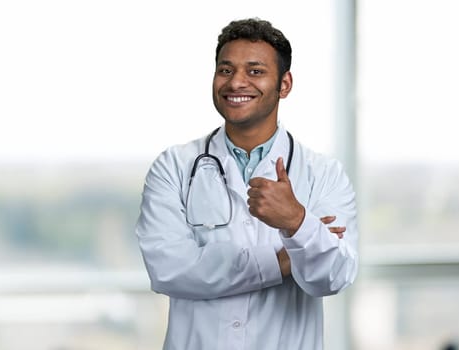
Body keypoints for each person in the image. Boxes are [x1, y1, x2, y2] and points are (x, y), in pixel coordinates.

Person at [135, 18, 358, 350]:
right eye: (226, 70)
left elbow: (331, 277)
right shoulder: (174, 166)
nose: (236, 82)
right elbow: (169, 270)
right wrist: (284, 258)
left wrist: (295, 221)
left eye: (255, 71)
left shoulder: (325, 174)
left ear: (284, 84)